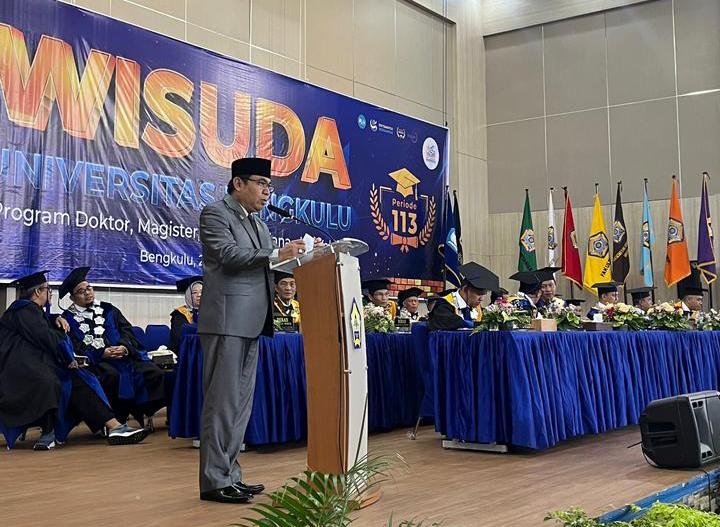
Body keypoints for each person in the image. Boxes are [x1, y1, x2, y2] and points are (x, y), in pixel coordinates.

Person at [197, 156, 309, 504]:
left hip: (253, 322)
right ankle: (214, 481)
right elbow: (228, 255)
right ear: (238, 184)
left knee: (240, 405)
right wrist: (277, 253)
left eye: (269, 186)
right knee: (222, 403)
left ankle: (231, 474)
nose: (267, 192)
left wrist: (303, 256)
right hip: (227, 321)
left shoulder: (258, 224)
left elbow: (267, 264)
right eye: (261, 184)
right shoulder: (215, 214)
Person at [0, 271, 148, 449]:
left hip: (32, 365)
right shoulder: (24, 310)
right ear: (38, 292)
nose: (50, 293)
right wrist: (67, 353)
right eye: (48, 289)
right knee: (66, 381)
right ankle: (53, 432)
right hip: (18, 370)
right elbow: (46, 337)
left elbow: (43, 325)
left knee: (76, 380)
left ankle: (114, 426)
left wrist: (55, 318)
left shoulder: (29, 311)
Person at [60, 266, 166, 427]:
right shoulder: (68, 319)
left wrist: (124, 348)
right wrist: (101, 353)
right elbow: (74, 346)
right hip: (98, 362)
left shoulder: (109, 309)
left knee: (153, 372)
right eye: (81, 291)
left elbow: (127, 331)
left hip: (123, 357)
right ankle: (114, 421)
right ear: (72, 298)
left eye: (89, 288)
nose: (87, 293)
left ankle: (144, 411)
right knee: (111, 376)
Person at [428, 262, 499, 331]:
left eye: (484, 294)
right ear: (465, 289)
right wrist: (471, 324)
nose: (482, 299)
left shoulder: (477, 309)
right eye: (479, 293)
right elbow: (448, 320)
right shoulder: (444, 304)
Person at [169, 276, 203, 352]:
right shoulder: (180, 314)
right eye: (194, 292)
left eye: (202, 292)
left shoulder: (210, 313)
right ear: (189, 295)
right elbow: (179, 338)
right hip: (185, 352)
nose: (199, 295)